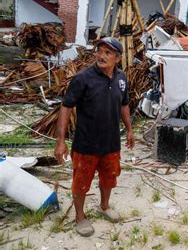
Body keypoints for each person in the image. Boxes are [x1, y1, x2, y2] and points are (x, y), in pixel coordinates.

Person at [54, 37, 135, 237]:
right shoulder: (83, 78)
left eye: (108, 53)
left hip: (111, 143)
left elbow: (124, 104)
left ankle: (104, 206)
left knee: (109, 179)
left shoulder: (121, 78)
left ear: (118, 58)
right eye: (99, 51)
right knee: (81, 181)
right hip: (86, 144)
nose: (101, 56)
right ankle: (80, 217)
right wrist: (60, 141)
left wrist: (130, 129)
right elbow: (66, 107)